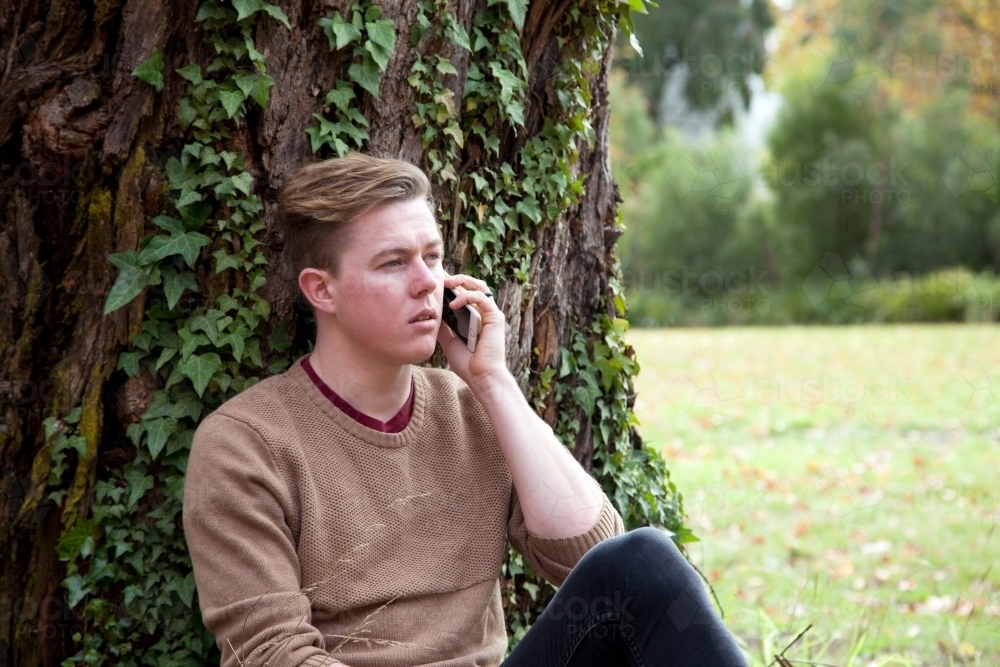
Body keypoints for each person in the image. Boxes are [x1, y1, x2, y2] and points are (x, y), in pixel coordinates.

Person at [182, 152, 748, 667]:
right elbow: (271, 655)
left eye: (432, 256)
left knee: (642, 559)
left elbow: (589, 556)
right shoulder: (245, 443)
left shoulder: (468, 406)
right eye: (393, 263)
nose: (427, 283)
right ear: (322, 291)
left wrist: (494, 384)